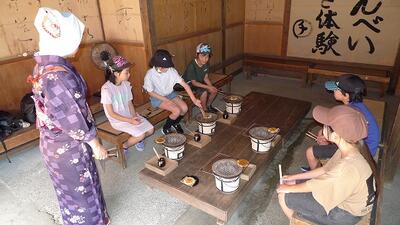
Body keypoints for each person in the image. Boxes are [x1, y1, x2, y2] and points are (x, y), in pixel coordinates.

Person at [31, 8, 109, 225]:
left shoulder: (44, 66)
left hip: (54, 142)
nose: (79, 42)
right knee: (82, 192)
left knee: (72, 192)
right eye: (76, 37)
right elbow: (72, 120)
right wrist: (96, 145)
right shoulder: (57, 75)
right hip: (67, 145)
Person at [277, 105, 378, 225]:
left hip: (344, 214)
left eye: (326, 125)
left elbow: (315, 184)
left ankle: (298, 221)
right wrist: (293, 178)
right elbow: (325, 169)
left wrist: (288, 189)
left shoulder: (346, 168)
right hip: (346, 198)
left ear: (336, 135)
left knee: (283, 195)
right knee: (291, 185)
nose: (323, 127)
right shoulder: (349, 150)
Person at [302, 74, 380, 171]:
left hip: (362, 152)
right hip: (361, 143)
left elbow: (349, 140)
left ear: (346, 95)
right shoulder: (355, 106)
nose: (333, 90)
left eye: (336, 89)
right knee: (322, 133)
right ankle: (321, 165)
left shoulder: (351, 113)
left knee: (310, 152)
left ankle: (316, 175)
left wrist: (329, 140)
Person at [101, 55, 154, 152]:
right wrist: (130, 121)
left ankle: (138, 140)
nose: (129, 74)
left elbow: (129, 103)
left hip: (129, 116)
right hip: (117, 120)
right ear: (116, 74)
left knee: (150, 130)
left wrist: (134, 116)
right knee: (141, 134)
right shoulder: (106, 89)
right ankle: (124, 146)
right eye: (126, 72)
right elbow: (111, 114)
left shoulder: (126, 84)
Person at [143, 49, 202, 135]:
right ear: (159, 66)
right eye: (166, 67)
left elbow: (185, 85)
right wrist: (166, 100)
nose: (168, 68)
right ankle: (166, 128)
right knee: (176, 110)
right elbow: (150, 92)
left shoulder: (171, 71)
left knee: (184, 108)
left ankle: (175, 123)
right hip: (157, 97)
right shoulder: (150, 75)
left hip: (170, 94)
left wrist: (194, 100)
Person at [182, 43, 218, 113]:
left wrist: (211, 86)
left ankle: (208, 106)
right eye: (202, 56)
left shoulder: (206, 63)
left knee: (214, 90)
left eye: (207, 56)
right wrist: (207, 87)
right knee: (204, 92)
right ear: (197, 55)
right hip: (189, 84)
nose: (205, 59)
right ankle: (204, 110)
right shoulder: (191, 66)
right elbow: (194, 83)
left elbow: (205, 78)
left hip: (198, 81)